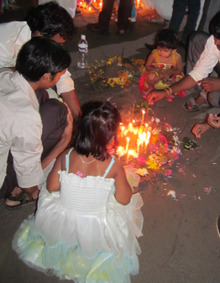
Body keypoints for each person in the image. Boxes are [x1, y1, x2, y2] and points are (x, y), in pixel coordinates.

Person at [12, 100, 144, 282]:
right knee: (125, 201)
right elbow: (123, 200)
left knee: (57, 197)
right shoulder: (112, 166)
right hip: (95, 226)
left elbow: (51, 188)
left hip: (62, 222)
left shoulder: (66, 156)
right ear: (110, 137)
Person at [0, 37, 73, 209]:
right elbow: (29, 184)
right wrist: (63, 143)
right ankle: (13, 191)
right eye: (60, 75)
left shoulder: (4, 74)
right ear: (47, 76)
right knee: (57, 111)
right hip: (3, 179)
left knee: (45, 97)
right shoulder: (26, 118)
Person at [0, 1, 81, 118]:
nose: (59, 49)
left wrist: (79, 117)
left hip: (19, 83)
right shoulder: (6, 42)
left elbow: (63, 78)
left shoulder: (44, 43)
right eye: (57, 44)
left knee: (58, 105)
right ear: (38, 35)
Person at [147, 11, 220, 111]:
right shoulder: (214, 43)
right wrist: (166, 92)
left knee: (214, 97)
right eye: (216, 37)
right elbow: (198, 74)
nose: (216, 42)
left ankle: (206, 95)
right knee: (197, 38)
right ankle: (199, 87)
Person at [139, 29, 185, 101]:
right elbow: (147, 66)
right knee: (151, 76)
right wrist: (157, 70)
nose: (161, 52)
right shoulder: (154, 54)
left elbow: (179, 70)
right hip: (157, 76)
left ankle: (171, 92)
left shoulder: (177, 57)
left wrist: (170, 72)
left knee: (178, 79)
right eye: (159, 49)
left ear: (173, 50)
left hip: (169, 78)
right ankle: (150, 87)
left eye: (165, 51)